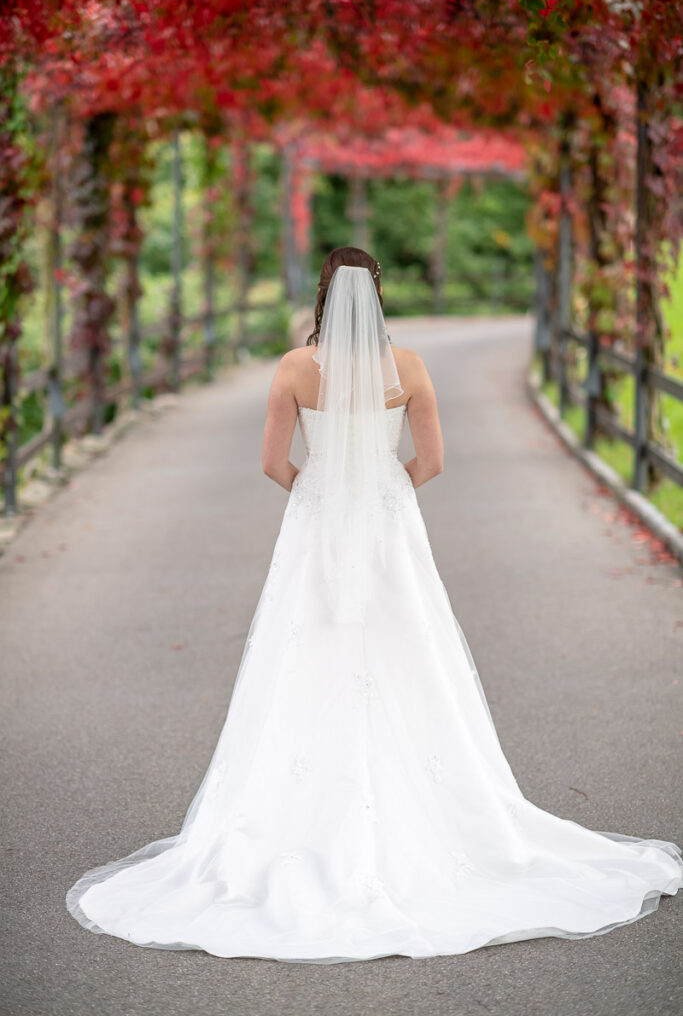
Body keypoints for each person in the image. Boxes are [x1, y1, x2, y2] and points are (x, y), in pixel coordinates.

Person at [66, 246, 682, 964]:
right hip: (388, 530)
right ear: (377, 295)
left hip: (319, 528)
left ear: (324, 296)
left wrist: (321, 491)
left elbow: (270, 463)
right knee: (406, 652)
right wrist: (382, 492)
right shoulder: (408, 368)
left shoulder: (294, 370)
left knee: (307, 655)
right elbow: (434, 461)